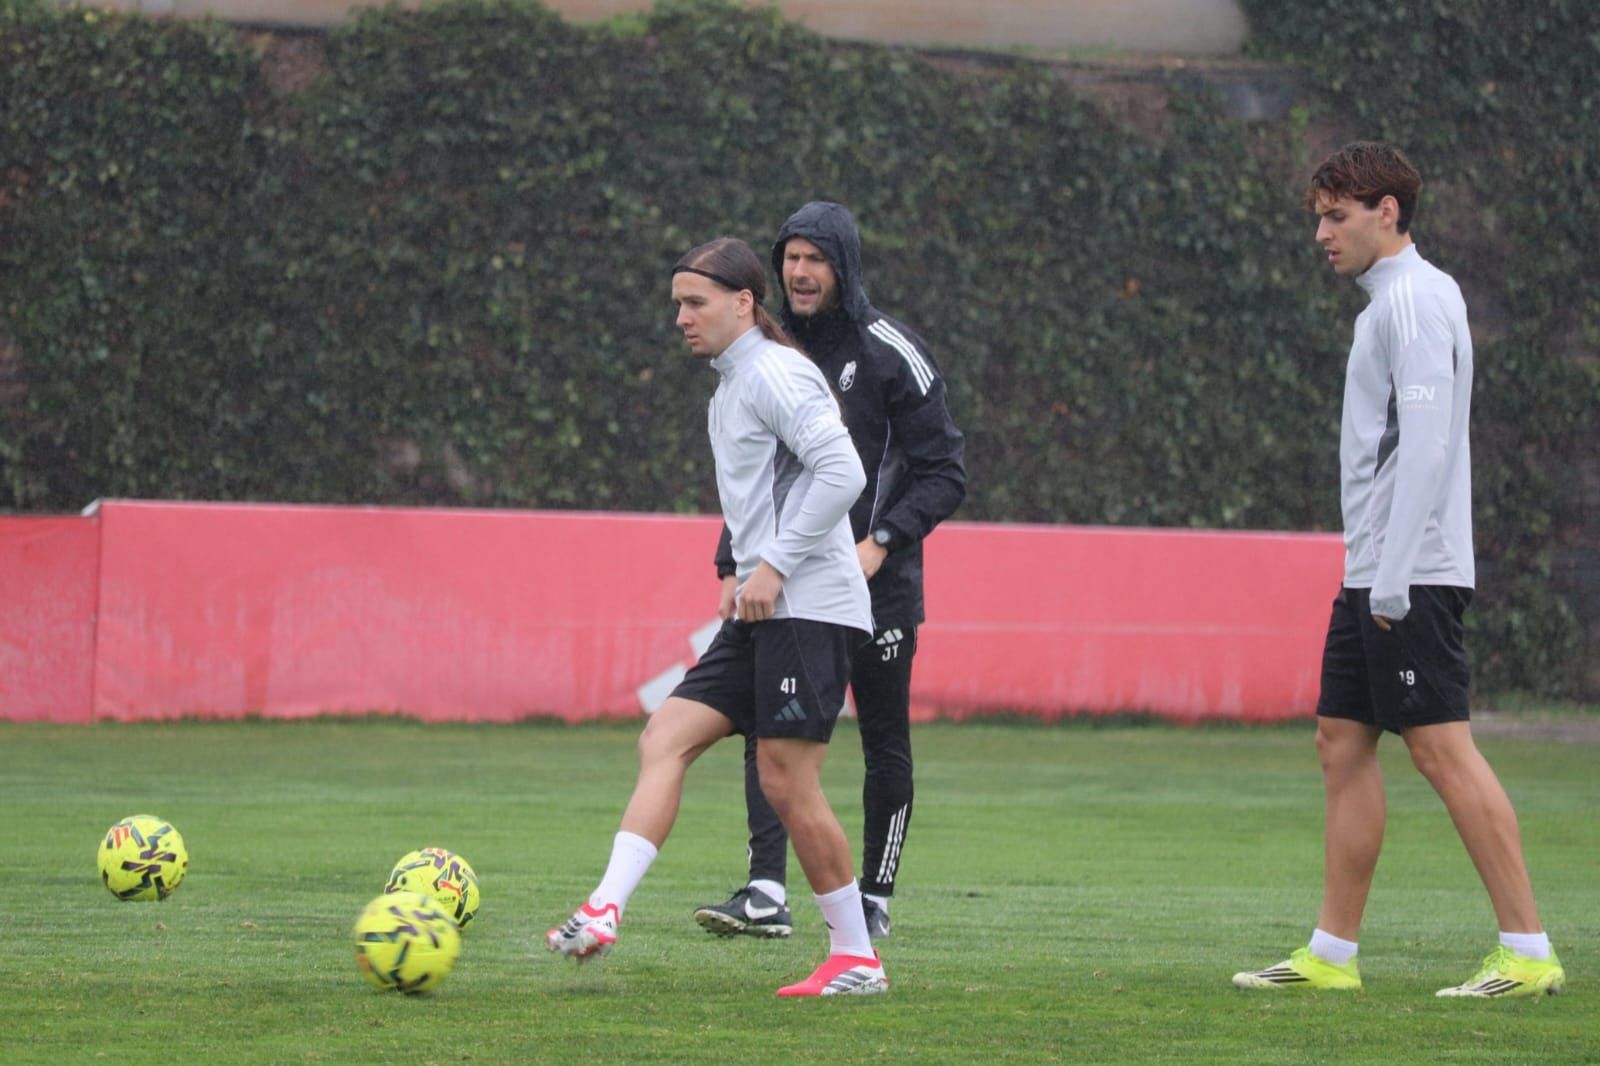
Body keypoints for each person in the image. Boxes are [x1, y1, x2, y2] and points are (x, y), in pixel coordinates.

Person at [1233, 142, 1565, 999]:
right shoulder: (1391, 303)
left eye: (1337, 216)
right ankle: (1331, 954)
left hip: (1406, 573)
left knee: (1442, 750)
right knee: (1340, 743)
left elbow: (1426, 445)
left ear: (1388, 212)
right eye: (1319, 216)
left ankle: (1528, 949)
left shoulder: (1414, 301)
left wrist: (1392, 576)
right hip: (1376, 569)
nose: (1322, 234)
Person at [545, 236, 887, 997]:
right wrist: (740, 567)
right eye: (677, 303)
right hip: (764, 609)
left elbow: (844, 472)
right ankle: (604, 909)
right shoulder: (731, 387)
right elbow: (759, 497)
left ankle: (857, 957)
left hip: (810, 607)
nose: (681, 318)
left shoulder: (775, 372)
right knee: (665, 736)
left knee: (787, 781)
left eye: (695, 303)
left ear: (743, 302)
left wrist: (775, 565)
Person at [694, 202, 966, 941]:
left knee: (884, 739)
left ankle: (874, 896)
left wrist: (881, 541)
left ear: (844, 265)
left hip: (879, 589)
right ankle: (764, 891)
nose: (801, 272)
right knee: (765, 726)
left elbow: (945, 472)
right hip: (785, 584)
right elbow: (753, 472)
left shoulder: (891, 352)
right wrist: (731, 563)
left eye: (816, 258)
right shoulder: (765, 350)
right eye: (791, 258)